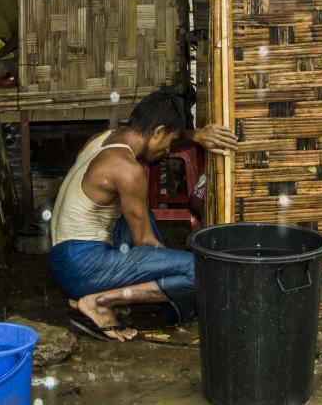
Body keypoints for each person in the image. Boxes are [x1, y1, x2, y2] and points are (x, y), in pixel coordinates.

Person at [48, 90, 237, 342]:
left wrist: (195, 136)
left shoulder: (103, 138)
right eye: (169, 141)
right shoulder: (127, 169)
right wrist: (174, 272)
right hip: (81, 268)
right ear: (158, 131)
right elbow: (146, 244)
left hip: (65, 259)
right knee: (201, 271)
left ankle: (112, 295)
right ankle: (100, 301)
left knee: (139, 213)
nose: (169, 149)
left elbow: (164, 141)